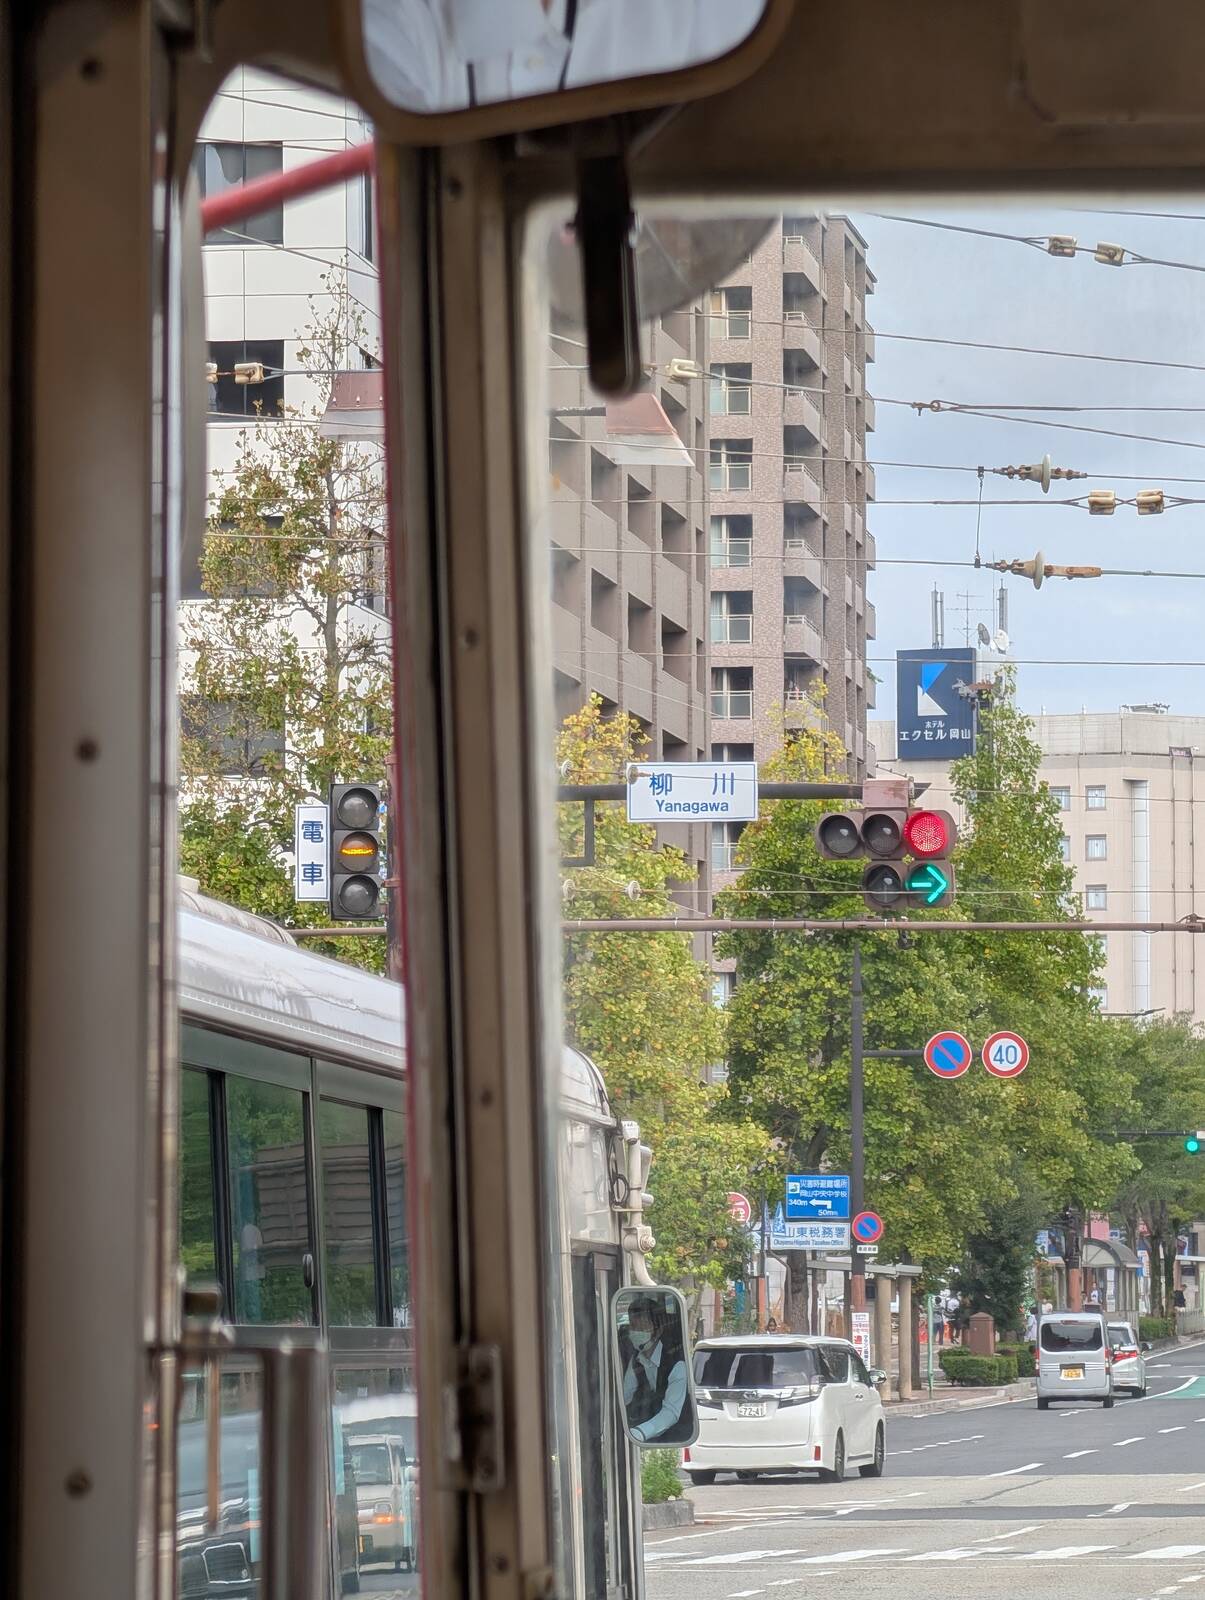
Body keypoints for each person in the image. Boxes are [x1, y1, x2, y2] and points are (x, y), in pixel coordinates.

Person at [622, 1298, 689, 1444]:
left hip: (677, 1438)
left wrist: (638, 1433)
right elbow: (624, 1396)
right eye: (633, 1327)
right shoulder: (636, 1360)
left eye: (643, 1327)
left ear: (658, 1331)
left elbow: (670, 1413)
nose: (636, 1332)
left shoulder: (678, 1365)